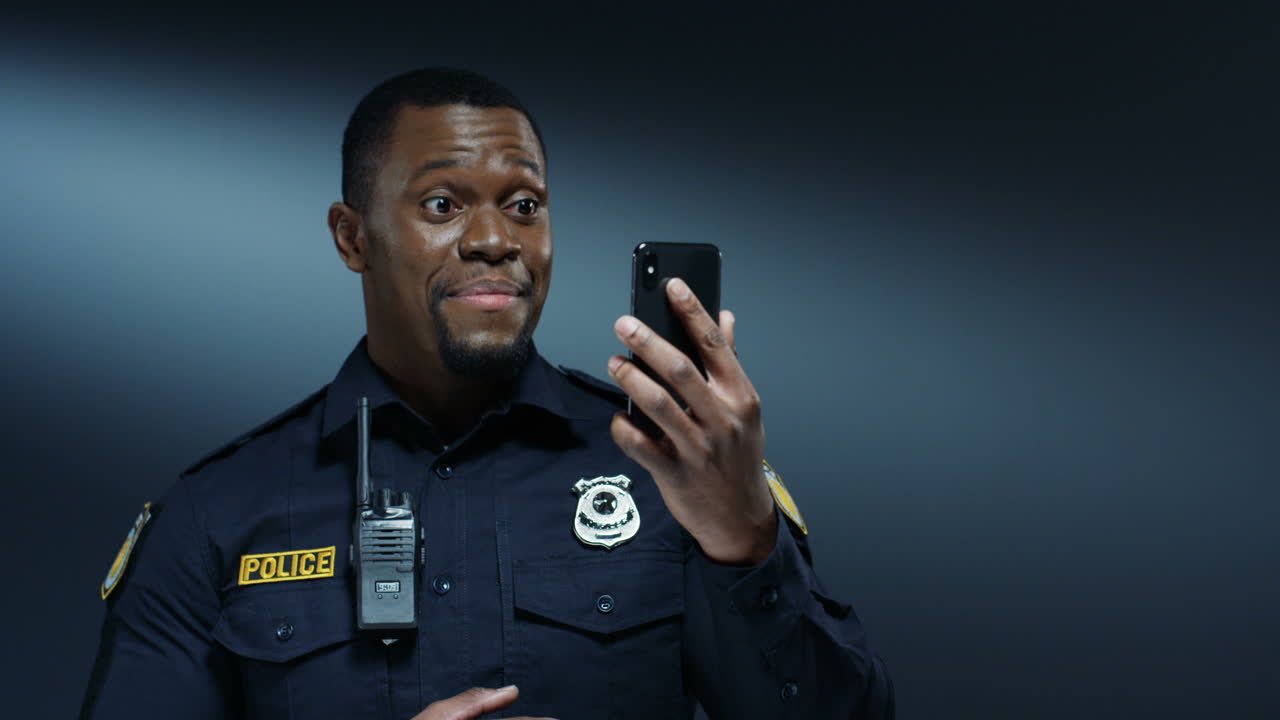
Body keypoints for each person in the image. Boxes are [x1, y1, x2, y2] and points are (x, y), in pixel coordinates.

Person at [80, 67, 895, 720]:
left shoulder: (673, 474)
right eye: (443, 204)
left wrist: (745, 538)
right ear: (353, 237)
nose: (497, 239)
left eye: (524, 205)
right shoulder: (216, 516)